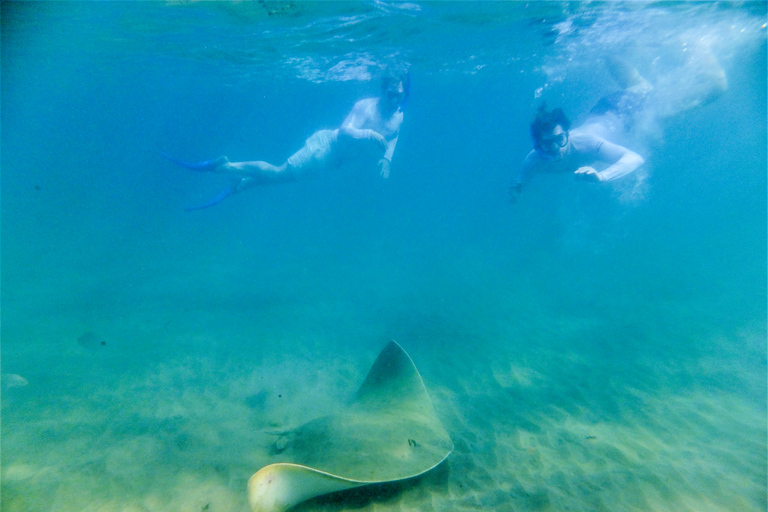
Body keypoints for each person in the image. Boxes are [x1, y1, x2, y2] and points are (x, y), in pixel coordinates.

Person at [163, 72, 409, 210]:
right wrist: (368, 134)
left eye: (399, 96)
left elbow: (393, 135)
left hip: (331, 162)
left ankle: (241, 184)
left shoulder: (398, 116)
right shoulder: (366, 107)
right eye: (391, 95)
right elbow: (345, 131)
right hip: (324, 150)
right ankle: (225, 166)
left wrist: (387, 158)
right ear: (382, 90)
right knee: (279, 173)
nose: (395, 101)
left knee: (281, 179)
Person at [509, 54, 727, 201]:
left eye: (560, 139)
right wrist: (517, 189)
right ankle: (630, 71)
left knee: (713, 90)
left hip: (629, 110)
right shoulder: (533, 159)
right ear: (537, 144)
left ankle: (699, 51)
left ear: (567, 134)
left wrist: (602, 176)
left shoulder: (586, 143)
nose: (556, 148)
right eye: (547, 144)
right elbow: (523, 178)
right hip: (604, 109)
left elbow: (634, 159)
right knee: (636, 85)